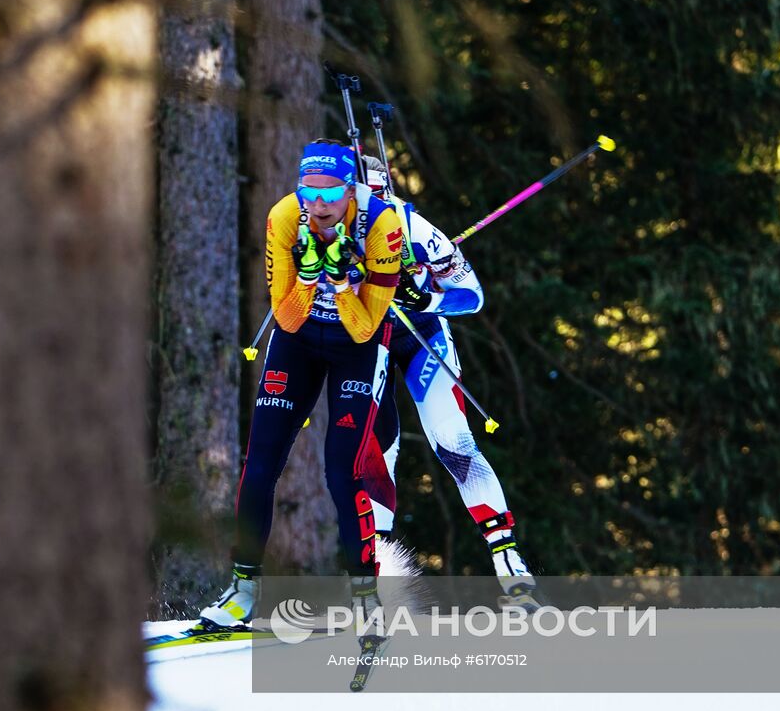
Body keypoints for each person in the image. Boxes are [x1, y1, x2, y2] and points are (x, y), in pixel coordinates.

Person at [199, 140, 403, 628]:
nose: (319, 205)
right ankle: (243, 589)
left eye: (331, 193)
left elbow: (364, 328)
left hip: (358, 344)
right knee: (261, 461)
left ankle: (364, 596)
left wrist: (338, 282)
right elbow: (287, 319)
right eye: (308, 192)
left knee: (342, 471)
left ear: (351, 190)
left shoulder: (383, 227)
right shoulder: (284, 218)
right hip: (300, 339)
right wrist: (311, 277)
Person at [357, 155, 540, 609]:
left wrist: (427, 294)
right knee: (375, 452)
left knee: (454, 441)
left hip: (421, 337)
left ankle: (509, 564)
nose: (369, 209)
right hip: (367, 340)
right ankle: (375, 580)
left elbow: (473, 296)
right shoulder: (329, 230)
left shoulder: (415, 229)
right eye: (361, 199)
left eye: (378, 197)